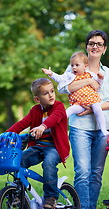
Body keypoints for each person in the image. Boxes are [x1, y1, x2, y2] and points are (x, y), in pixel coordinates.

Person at [57, 30, 109, 209]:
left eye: (99, 44)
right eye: (92, 43)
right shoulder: (75, 67)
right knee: (82, 172)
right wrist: (87, 81)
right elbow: (63, 87)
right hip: (79, 128)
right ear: (87, 46)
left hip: (104, 129)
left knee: (96, 173)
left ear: (104, 49)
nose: (95, 46)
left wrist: (94, 109)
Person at [6, 78, 70, 209]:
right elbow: (22, 123)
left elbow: (54, 118)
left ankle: (51, 197)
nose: (51, 95)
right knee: (20, 160)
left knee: (49, 163)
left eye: (52, 91)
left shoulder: (59, 107)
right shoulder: (35, 110)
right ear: (37, 99)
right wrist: (7, 134)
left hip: (55, 147)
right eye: (46, 93)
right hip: (38, 147)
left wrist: (43, 126)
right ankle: (18, 193)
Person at [42, 51, 109, 136]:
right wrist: (51, 74)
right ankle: (52, 124)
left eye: (77, 65)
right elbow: (60, 78)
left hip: (92, 100)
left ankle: (103, 128)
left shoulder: (90, 75)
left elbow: (98, 85)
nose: (74, 68)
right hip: (79, 103)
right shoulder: (70, 75)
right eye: (72, 65)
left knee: (98, 110)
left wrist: (101, 78)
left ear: (85, 66)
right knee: (69, 110)